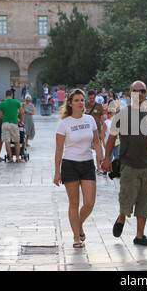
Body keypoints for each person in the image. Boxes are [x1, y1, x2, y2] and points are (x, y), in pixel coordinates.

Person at [102, 80, 147, 247]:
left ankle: (139, 236)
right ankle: (122, 217)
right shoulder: (122, 114)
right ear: (130, 93)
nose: (139, 94)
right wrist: (106, 159)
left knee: (145, 201)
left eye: (143, 91)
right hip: (129, 165)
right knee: (127, 197)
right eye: (136, 91)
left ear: (146, 94)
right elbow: (111, 138)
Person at [53, 89, 104, 249]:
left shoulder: (90, 120)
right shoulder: (64, 124)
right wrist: (56, 171)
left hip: (88, 164)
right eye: (77, 100)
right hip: (70, 165)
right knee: (74, 202)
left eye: (82, 100)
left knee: (89, 203)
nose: (80, 102)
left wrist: (101, 160)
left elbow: (96, 143)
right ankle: (76, 236)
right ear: (70, 103)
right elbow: (59, 149)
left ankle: (79, 224)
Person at [0, 90, 25, 163]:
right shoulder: (16, 102)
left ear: (5, 95)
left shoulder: (2, 103)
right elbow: (22, 112)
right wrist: (21, 120)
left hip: (5, 123)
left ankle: (10, 158)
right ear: (12, 95)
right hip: (14, 123)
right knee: (17, 141)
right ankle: (17, 157)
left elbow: (0, 116)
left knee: (7, 142)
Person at [85, 90, 105, 172]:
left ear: (95, 97)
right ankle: (88, 166)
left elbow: (102, 118)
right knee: (86, 149)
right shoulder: (85, 105)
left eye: (93, 98)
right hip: (86, 130)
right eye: (90, 98)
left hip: (98, 130)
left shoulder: (99, 106)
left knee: (98, 148)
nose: (91, 100)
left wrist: (104, 128)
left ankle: (99, 166)